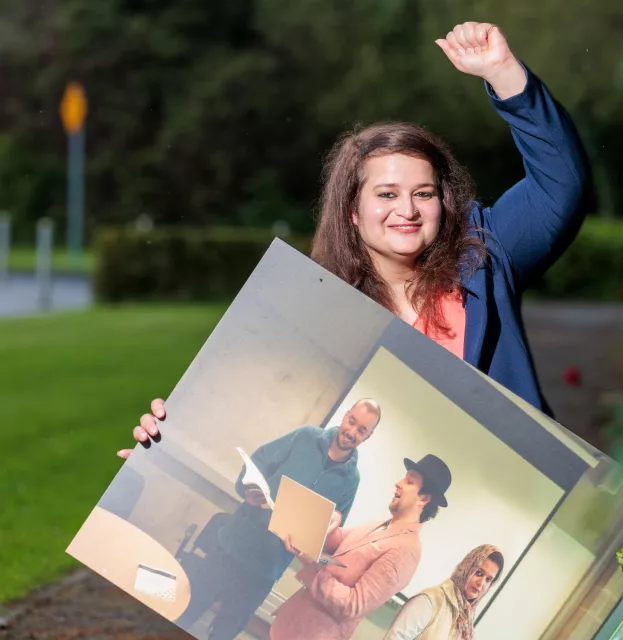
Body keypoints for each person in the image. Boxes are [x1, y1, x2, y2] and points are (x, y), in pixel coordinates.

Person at [118, 20, 590, 452]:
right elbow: (267, 432)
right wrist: (165, 447)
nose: (406, 210)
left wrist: (505, 74)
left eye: (423, 193)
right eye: (386, 194)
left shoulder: (485, 254)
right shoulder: (314, 316)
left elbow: (562, 184)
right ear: (352, 212)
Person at [174, 399, 382, 640]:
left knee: (224, 633)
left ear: (368, 436)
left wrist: (330, 525)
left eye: (361, 430)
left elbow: (335, 528)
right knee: (185, 610)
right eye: (352, 421)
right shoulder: (305, 436)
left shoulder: (351, 479)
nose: (352, 431)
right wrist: (247, 489)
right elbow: (260, 460)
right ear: (346, 415)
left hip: (265, 571)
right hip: (231, 547)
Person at [269, 454, 452, 640]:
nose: (398, 483)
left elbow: (352, 605)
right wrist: (333, 518)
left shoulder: (407, 551)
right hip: (290, 627)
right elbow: (336, 540)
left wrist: (314, 568)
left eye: (410, 481)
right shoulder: (379, 524)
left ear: (424, 499)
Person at [383, 544, 504, 640]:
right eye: (479, 573)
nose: (481, 583)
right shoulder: (429, 600)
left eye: (488, 580)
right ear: (467, 568)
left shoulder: (467, 619)